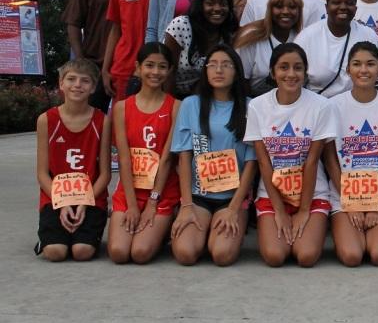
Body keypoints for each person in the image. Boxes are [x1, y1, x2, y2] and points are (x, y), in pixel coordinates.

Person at [246, 44, 336, 267]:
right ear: (272, 71)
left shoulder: (321, 106)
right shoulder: (257, 106)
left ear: (305, 72)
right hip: (272, 194)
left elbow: (313, 161)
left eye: (298, 68)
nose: (291, 74)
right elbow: (264, 163)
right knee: (275, 256)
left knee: (306, 256)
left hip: (312, 193)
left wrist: (304, 210)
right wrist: (279, 211)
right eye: (283, 67)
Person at [170, 45, 257, 266]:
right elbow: (183, 156)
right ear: (205, 71)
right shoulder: (191, 104)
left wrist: (233, 209)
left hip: (232, 198)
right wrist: (186, 206)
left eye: (226, 65)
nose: (219, 70)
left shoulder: (250, 107)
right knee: (185, 254)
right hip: (197, 197)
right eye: (213, 65)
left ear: (236, 72)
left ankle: (217, 231)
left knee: (222, 255)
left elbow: (251, 163)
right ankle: (202, 229)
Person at [324, 42, 378, 266]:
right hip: (344, 196)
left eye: (370, 64)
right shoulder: (333, 106)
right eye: (356, 64)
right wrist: (352, 203)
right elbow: (330, 159)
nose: (363, 70)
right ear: (348, 70)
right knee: (352, 256)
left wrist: (374, 204)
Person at [107, 43, 181, 264]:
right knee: (119, 253)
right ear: (138, 68)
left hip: (161, 192)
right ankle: (144, 222)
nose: (155, 72)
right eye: (149, 65)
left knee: (140, 253)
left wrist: (152, 202)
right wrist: (131, 205)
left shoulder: (176, 106)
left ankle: (164, 225)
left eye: (162, 67)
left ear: (169, 70)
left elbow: (167, 158)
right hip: (130, 190)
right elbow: (123, 158)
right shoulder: (121, 108)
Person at [33, 59, 111, 261]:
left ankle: (87, 233)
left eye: (85, 81)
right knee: (55, 252)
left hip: (91, 197)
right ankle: (48, 236)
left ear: (93, 87)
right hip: (56, 197)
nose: (78, 85)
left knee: (82, 251)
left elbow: (105, 174)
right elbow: (42, 173)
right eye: (71, 79)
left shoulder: (102, 120)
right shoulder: (46, 120)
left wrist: (84, 203)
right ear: (61, 84)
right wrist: (62, 202)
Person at [64, 0, 130, 110]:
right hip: (94, 65)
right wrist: (81, 60)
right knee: (91, 117)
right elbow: (73, 23)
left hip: (127, 65)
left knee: (125, 120)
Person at [102, 0, 165, 103]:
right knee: (121, 121)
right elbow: (115, 30)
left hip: (156, 69)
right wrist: (106, 69)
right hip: (124, 67)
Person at [298, 0, 378, 97]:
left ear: (356, 9)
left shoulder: (369, 35)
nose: (343, 7)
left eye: (349, 3)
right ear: (326, 8)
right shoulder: (307, 37)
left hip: (357, 104)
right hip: (319, 106)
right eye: (336, 2)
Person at [164, 0, 238, 99]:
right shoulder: (181, 25)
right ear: (200, 5)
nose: (217, 9)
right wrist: (172, 107)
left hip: (203, 96)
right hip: (171, 92)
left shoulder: (228, 33)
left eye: (223, 4)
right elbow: (168, 70)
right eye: (210, 4)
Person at [234, 0, 304, 96]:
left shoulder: (303, 38)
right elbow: (241, 82)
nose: (285, 11)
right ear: (270, 10)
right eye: (279, 7)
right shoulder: (251, 36)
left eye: (292, 7)